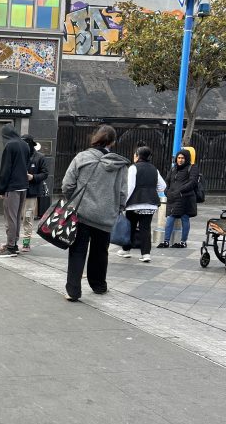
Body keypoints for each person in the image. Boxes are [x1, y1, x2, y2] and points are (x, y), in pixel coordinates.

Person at [60, 124, 129, 301]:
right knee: (100, 252)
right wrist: (119, 208)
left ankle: (73, 291)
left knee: (77, 251)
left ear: (95, 138)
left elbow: (67, 184)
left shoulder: (82, 157)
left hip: (82, 214)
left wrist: (73, 201)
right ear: (112, 142)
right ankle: (99, 286)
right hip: (106, 216)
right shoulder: (120, 165)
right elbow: (122, 192)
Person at [116, 145, 166, 262]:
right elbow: (162, 186)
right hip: (151, 204)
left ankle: (126, 250)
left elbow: (130, 186)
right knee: (145, 228)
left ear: (138, 156)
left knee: (130, 227)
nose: (134, 156)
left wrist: (123, 202)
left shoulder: (134, 168)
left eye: (135, 154)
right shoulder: (154, 169)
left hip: (135, 203)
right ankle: (146, 254)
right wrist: (151, 190)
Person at [0, 124, 32, 257]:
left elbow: (6, 169)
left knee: (10, 217)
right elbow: (26, 164)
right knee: (16, 217)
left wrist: (1, 189)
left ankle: (11, 247)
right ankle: (14, 243)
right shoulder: (25, 145)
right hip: (23, 186)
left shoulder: (10, 145)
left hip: (12, 187)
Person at [158, 147, 199, 248]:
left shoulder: (192, 167)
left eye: (182, 158)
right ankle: (166, 241)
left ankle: (183, 242)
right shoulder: (173, 168)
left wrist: (180, 190)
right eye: (179, 158)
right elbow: (167, 181)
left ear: (187, 158)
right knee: (170, 218)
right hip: (173, 198)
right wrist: (167, 191)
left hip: (186, 198)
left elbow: (192, 182)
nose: (180, 160)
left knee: (185, 218)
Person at [20, 135, 49, 253]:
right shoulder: (19, 155)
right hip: (17, 191)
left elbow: (45, 173)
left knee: (27, 217)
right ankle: (12, 242)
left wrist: (33, 177)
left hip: (31, 193)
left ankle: (26, 243)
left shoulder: (40, 157)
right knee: (15, 219)